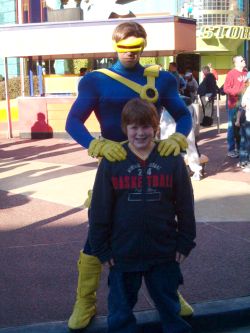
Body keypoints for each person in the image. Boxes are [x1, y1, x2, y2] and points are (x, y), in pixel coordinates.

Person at [65, 21, 193, 331]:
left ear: (144, 46)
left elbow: (183, 114)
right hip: (114, 164)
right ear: (115, 46)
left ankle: (169, 293)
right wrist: (95, 144)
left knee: (160, 220)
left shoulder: (160, 79)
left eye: (136, 49)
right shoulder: (96, 80)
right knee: (100, 228)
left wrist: (180, 136)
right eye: (124, 49)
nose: (130, 55)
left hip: (155, 161)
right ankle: (85, 299)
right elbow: (73, 122)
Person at [89, 98, 196, 333]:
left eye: (146, 126)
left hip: (163, 251)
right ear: (125, 129)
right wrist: (101, 248)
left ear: (155, 127)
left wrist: (185, 241)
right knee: (120, 314)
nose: (140, 133)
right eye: (134, 127)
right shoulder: (112, 161)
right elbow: (99, 208)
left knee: (170, 309)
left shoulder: (171, 159)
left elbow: (185, 205)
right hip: (122, 253)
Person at [223, 55, 247, 158]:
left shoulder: (246, 73)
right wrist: (237, 92)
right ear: (236, 63)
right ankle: (231, 150)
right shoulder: (231, 73)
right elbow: (226, 88)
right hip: (234, 104)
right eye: (241, 60)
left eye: (244, 59)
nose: (244, 61)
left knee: (244, 127)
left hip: (245, 105)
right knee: (232, 127)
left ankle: (240, 148)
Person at [235, 71, 250, 171]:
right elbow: (241, 106)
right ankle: (243, 160)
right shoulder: (246, 90)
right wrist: (238, 119)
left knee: (247, 141)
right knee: (244, 141)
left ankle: (247, 162)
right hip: (245, 119)